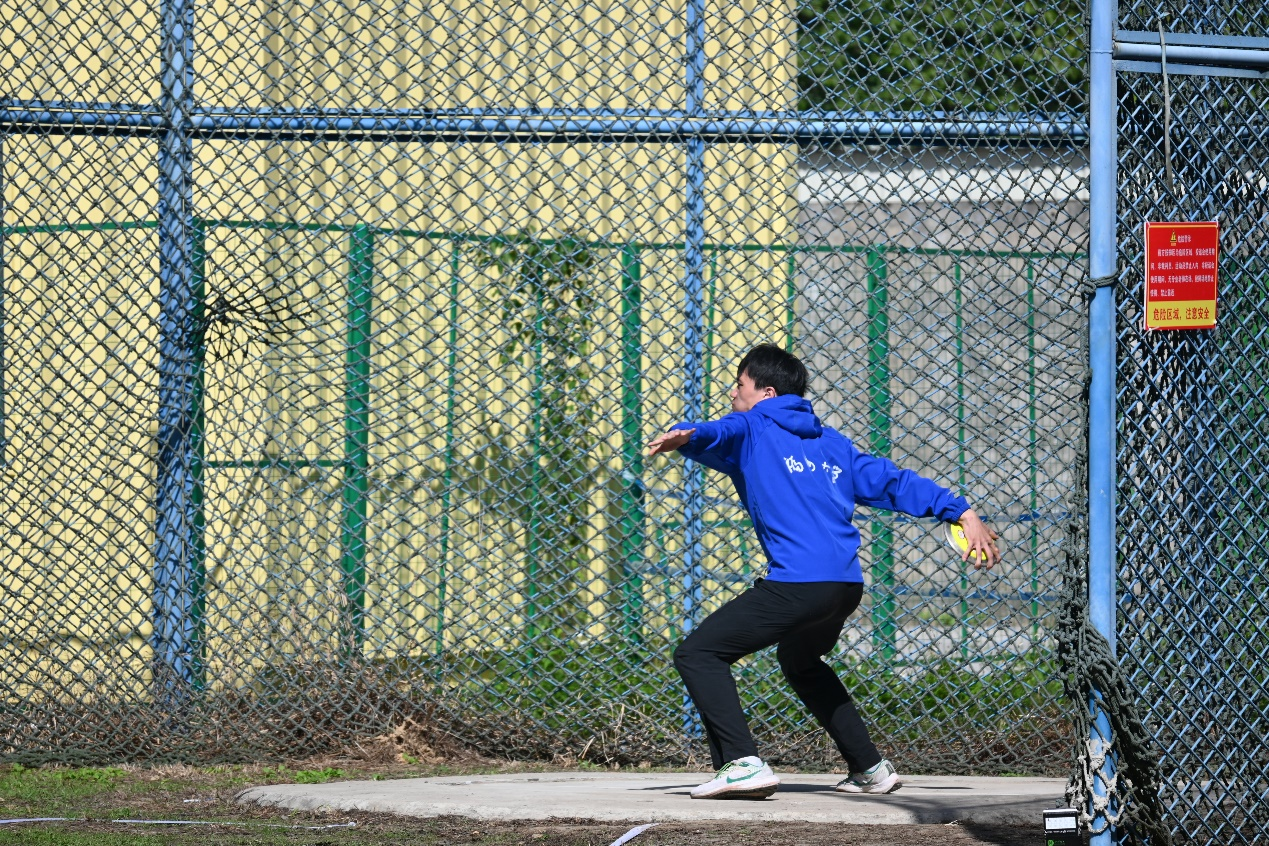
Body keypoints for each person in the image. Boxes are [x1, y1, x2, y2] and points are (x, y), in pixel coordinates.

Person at [647, 344, 999, 800]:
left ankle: (742, 763)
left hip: (799, 584)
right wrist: (961, 510)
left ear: (767, 394)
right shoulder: (832, 443)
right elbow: (894, 481)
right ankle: (870, 768)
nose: (732, 393)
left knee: (698, 653)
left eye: (740, 384)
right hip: (844, 586)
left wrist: (689, 434)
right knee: (801, 662)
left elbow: (723, 429)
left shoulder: (753, 426)